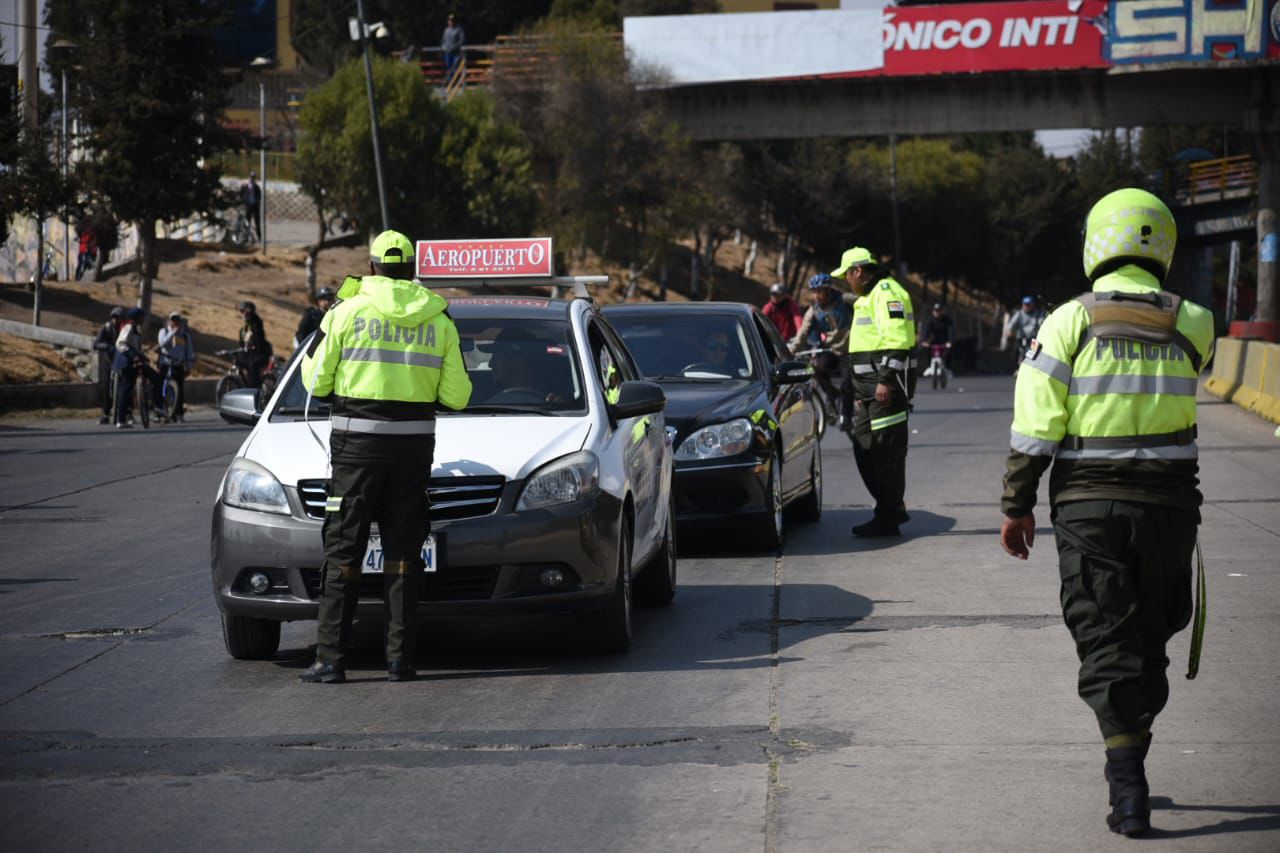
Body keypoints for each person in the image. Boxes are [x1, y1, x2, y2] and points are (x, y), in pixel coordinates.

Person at [999, 188, 1214, 838]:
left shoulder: (1068, 321)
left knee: (1105, 634)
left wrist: (1016, 504)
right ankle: (1130, 762)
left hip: (1089, 506)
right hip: (1170, 508)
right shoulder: (1195, 322)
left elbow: (1036, 423)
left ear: (1096, 242)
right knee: (1147, 634)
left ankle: (1128, 785)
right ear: (1163, 245)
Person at [298, 230, 472, 684]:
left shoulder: (345, 311)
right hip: (412, 457)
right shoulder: (439, 319)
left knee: (343, 553)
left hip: (355, 455)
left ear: (372, 266)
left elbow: (315, 382)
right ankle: (400, 661)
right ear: (411, 269)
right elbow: (458, 397)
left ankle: (330, 661)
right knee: (403, 556)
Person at [835, 247, 916, 536]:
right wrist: (860, 391)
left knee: (886, 454)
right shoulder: (869, 296)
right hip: (868, 391)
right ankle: (892, 506)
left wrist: (886, 380)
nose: (846, 281)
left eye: (847, 275)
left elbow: (897, 340)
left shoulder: (887, 293)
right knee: (864, 447)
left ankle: (888, 516)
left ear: (857, 271)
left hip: (885, 390)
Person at [790, 273, 855, 430]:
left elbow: (867, 303)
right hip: (830, 349)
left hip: (849, 350)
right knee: (817, 369)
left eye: (819, 291)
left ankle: (846, 416)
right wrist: (791, 350)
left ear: (828, 290)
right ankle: (832, 394)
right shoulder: (814, 309)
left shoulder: (845, 300)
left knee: (847, 382)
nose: (817, 295)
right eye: (814, 292)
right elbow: (803, 332)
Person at [112, 307, 162, 428]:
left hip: (134, 361)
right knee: (126, 389)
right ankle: (121, 420)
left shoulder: (135, 329)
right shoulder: (128, 327)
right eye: (142, 317)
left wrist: (141, 356)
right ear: (137, 317)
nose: (143, 319)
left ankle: (157, 406)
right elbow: (120, 343)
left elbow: (135, 347)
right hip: (126, 362)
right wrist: (133, 355)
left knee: (155, 377)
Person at [157, 312, 196, 422]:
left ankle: (178, 414)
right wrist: (171, 333)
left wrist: (189, 366)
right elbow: (162, 344)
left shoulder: (185, 335)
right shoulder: (164, 331)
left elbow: (189, 352)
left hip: (178, 364)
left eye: (177, 320)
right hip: (165, 363)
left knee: (179, 390)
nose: (175, 323)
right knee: (160, 387)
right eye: (173, 320)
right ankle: (159, 411)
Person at [94, 307, 125, 425]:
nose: (115, 320)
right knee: (107, 387)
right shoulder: (106, 328)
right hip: (110, 362)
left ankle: (127, 412)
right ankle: (106, 414)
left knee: (125, 387)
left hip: (123, 362)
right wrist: (107, 346)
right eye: (114, 317)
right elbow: (96, 344)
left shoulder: (125, 329)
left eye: (118, 317)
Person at [236, 300, 272, 388]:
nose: (243, 314)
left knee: (253, 366)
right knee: (238, 362)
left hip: (261, 354)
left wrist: (252, 346)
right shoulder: (243, 329)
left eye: (245, 311)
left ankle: (255, 388)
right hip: (250, 355)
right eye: (241, 311)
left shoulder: (256, 325)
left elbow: (259, 341)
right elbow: (241, 344)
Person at [922, 302, 955, 370]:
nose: (937, 312)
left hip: (945, 341)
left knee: (948, 352)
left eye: (939, 311)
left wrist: (950, 341)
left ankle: (948, 368)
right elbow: (926, 331)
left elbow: (950, 331)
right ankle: (928, 366)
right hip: (935, 340)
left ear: (942, 311)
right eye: (935, 311)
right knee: (927, 350)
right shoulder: (930, 320)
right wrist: (924, 341)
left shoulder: (947, 319)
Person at [441, 14, 465, 83]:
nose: (451, 22)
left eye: (452, 20)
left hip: (456, 53)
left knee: (455, 67)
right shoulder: (446, 30)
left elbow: (462, 40)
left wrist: (454, 47)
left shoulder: (459, 29)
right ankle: (450, 82)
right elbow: (443, 41)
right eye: (449, 20)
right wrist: (443, 47)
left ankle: (456, 82)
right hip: (447, 52)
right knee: (449, 68)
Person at [241, 171, 262, 242]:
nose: (252, 179)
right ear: (249, 177)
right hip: (248, 206)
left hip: (255, 206)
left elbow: (259, 197)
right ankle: (246, 237)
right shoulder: (244, 186)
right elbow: (241, 195)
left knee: (257, 222)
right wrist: (244, 203)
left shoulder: (257, 187)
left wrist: (256, 202)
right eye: (251, 177)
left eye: (253, 177)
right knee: (247, 222)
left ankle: (259, 237)